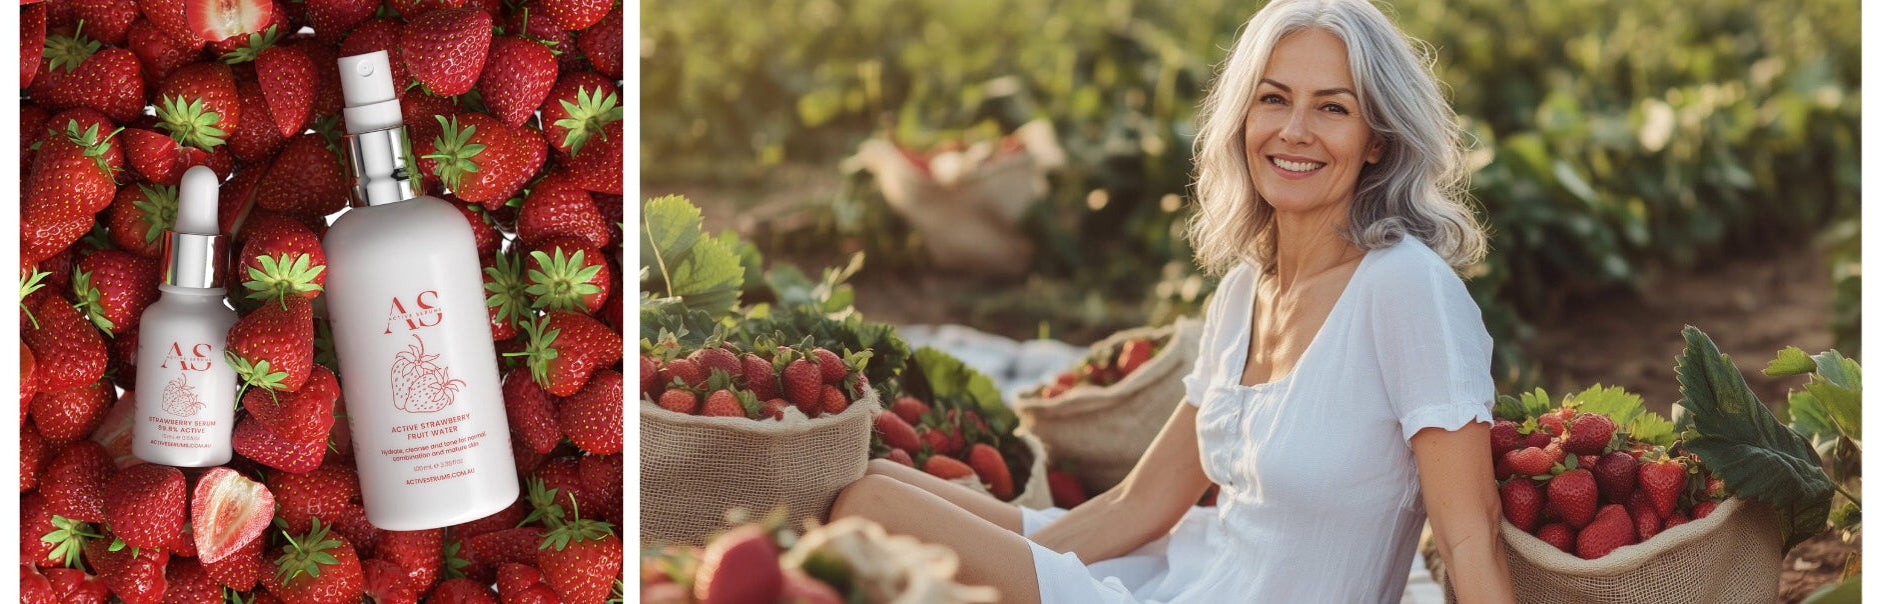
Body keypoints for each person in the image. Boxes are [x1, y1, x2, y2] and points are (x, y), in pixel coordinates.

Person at [829, 0, 1516, 601]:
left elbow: (1469, 537)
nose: (1294, 130)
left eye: (1332, 107)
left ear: (1378, 140)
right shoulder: (1248, 287)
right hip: (1174, 576)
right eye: (1273, 98)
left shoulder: (1406, 288)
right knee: (880, 479)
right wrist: (1030, 565)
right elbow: (1141, 504)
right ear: (1242, 115)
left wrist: (1018, 572)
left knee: (874, 505)